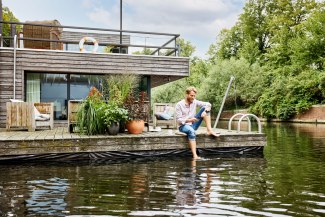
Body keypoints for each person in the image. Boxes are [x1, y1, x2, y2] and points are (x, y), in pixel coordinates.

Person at [175, 86, 219, 159]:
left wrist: (205, 111)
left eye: (194, 96)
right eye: (191, 95)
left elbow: (208, 104)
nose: (193, 97)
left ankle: (209, 130)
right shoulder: (179, 105)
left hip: (193, 124)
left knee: (205, 108)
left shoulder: (194, 101)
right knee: (191, 131)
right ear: (186, 94)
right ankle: (195, 155)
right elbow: (179, 120)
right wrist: (189, 120)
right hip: (183, 126)